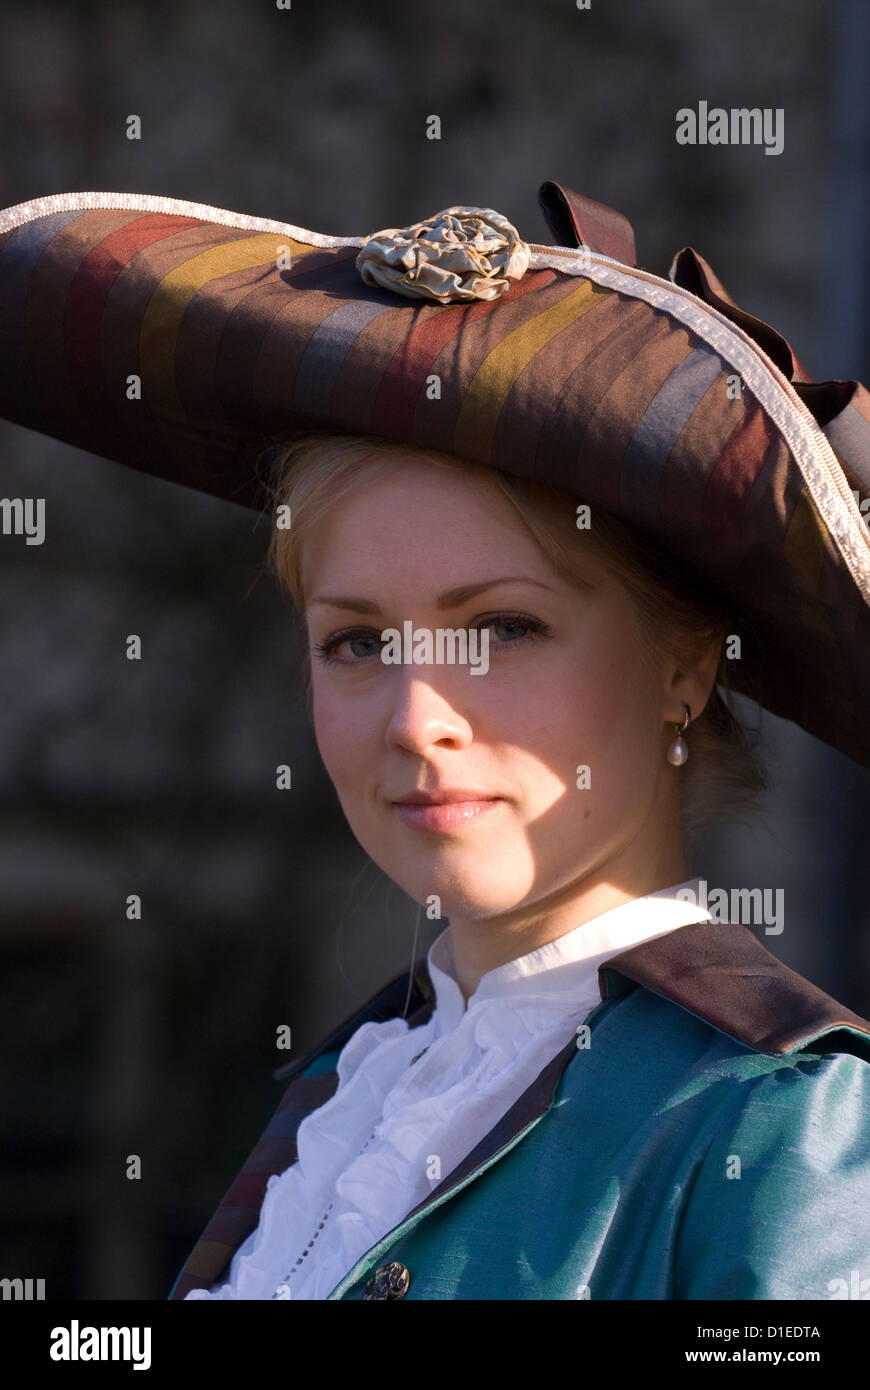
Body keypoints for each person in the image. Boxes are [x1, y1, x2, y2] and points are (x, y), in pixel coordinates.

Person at [0, 181, 868, 1300]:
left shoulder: (781, 1127)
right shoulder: (347, 1087)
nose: (417, 719)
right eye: (356, 641)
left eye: (504, 628)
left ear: (683, 664)